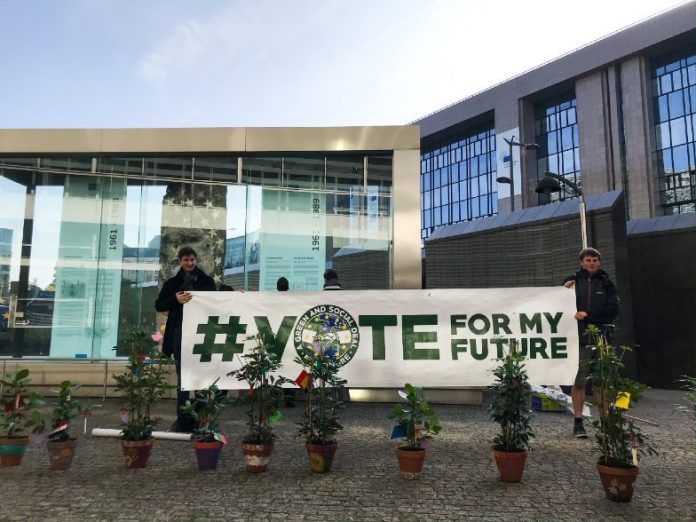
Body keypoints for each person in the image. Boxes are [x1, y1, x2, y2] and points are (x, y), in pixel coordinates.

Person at [155, 246, 216, 432]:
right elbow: (159, 305)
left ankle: (198, 418)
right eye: (186, 260)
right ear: (180, 261)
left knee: (200, 378)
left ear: (196, 260)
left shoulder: (206, 281)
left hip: (200, 334)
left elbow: (217, 302)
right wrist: (175, 300)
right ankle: (182, 420)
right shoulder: (173, 283)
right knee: (183, 378)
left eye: (192, 260)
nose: (189, 263)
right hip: (179, 333)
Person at [563, 247, 619, 438]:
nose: (592, 263)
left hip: (602, 340)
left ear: (599, 262)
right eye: (588, 260)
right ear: (581, 262)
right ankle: (578, 422)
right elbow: (559, 305)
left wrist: (588, 316)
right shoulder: (572, 282)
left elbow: (613, 311)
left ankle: (605, 421)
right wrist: (562, 290)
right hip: (579, 340)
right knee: (579, 381)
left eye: (595, 260)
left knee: (602, 382)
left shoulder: (607, 283)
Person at [276, 276, 295, 407]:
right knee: (291, 369)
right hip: (289, 338)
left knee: (277, 369)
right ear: (288, 286)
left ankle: (275, 397)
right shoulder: (293, 299)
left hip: (277, 338)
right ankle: (289, 397)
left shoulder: (272, 300)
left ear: (277, 287)